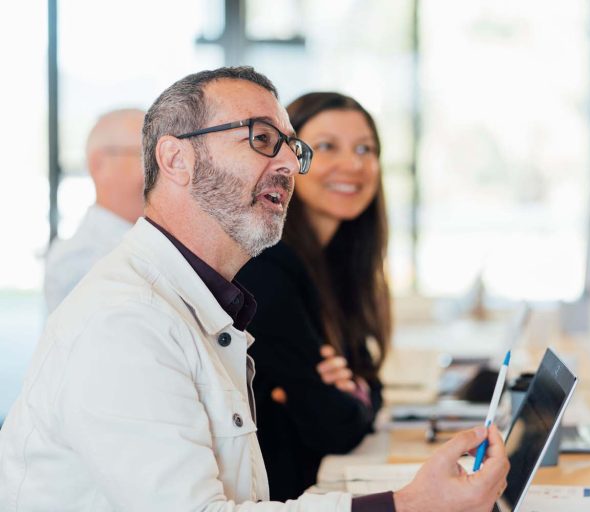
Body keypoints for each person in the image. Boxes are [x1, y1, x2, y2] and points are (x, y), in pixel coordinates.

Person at [0, 67, 508, 511]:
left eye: (293, 148)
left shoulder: (205, 302)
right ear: (176, 159)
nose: (289, 165)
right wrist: (410, 505)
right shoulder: (124, 323)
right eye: (262, 139)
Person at [234, 92, 389, 500]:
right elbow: (333, 424)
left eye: (364, 149)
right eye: (326, 147)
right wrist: (353, 396)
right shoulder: (266, 266)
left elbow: (371, 384)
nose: (353, 164)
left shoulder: (336, 264)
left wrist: (355, 389)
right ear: (288, 160)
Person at [44, 108, 146, 312]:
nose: (163, 168)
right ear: (99, 164)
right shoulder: (79, 260)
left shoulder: (140, 239)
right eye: (145, 154)